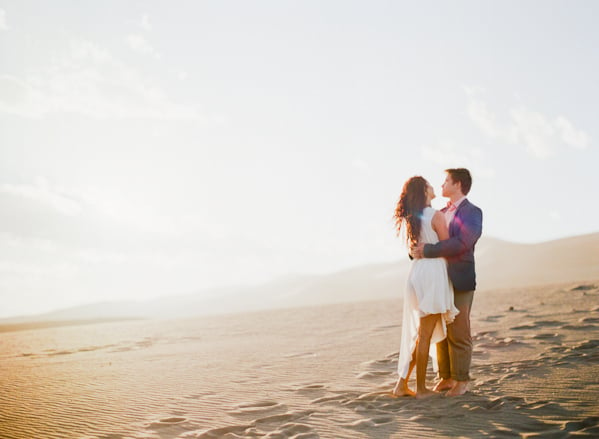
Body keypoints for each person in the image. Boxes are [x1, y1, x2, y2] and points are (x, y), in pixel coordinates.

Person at [412, 168, 483, 397]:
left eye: (446, 181)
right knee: (441, 328)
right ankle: (446, 377)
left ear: (458, 184)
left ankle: (462, 381)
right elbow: (426, 239)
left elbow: (462, 243)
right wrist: (416, 251)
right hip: (437, 280)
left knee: (459, 330)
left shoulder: (473, 212)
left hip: (460, 278)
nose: (441, 185)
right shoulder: (439, 212)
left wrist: (428, 250)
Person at [392, 176, 459, 399]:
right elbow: (448, 246)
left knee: (421, 335)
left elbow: (413, 251)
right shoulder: (435, 216)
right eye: (429, 185)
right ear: (424, 191)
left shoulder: (414, 219)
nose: (433, 187)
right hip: (432, 274)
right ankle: (421, 389)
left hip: (417, 274)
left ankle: (401, 385)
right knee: (425, 334)